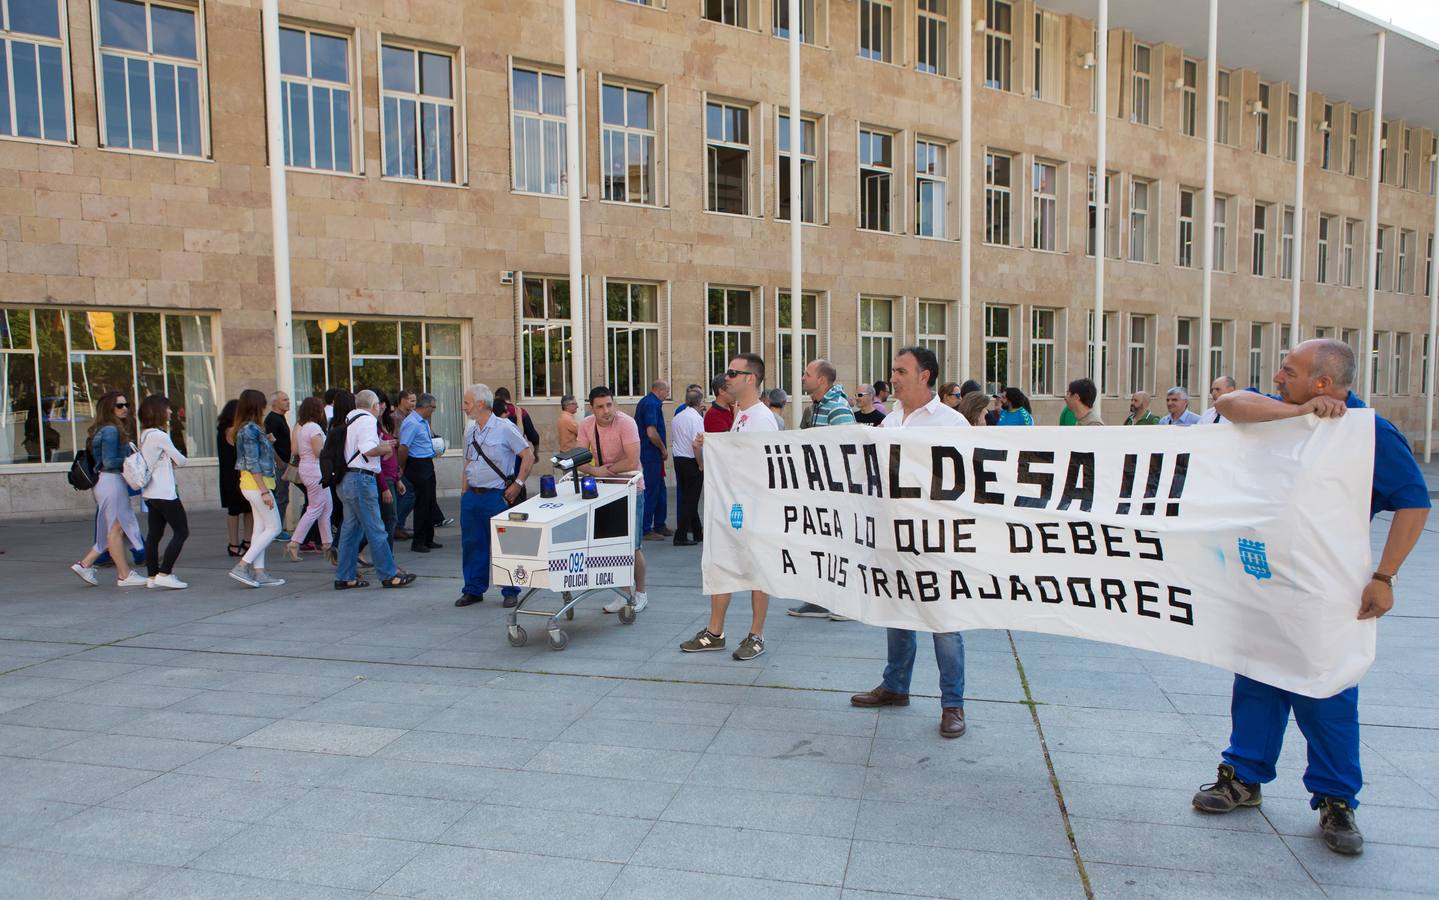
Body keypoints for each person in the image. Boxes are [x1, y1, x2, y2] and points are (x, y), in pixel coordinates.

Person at [1191, 339, 1430, 856]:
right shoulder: (1277, 411)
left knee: (1327, 691)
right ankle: (1243, 775)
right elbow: (1228, 404)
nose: (1277, 377)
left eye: (1289, 371)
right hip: (1265, 584)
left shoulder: (1367, 434)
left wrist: (1384, 577)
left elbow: (1413, 503)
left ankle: (1336, 799)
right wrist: (1297, 411)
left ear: (1323, 382)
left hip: (1328, 593)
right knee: (1256, 678)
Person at [851, 346, 971, 739]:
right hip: (892, 536)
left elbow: (967, 486)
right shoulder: (891, 422)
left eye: (901, 370)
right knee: (896, 612)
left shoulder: (952, 424)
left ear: (925, 375)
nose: (894, 377)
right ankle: (895, 687)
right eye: (893, 370)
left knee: (944, 624)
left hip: (936, 542)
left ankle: (952, 704)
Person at [681, 353, 777, 661]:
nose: (727, 378)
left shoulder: (761, 417)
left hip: (753, 509)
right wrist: (708, 448)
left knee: (756, 570)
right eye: (727, 373)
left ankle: (756, 634)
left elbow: (762, 466)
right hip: (733, 506)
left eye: (733, 373)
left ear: (751, 379)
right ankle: (715, 631)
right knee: (721, 562)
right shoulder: (742, 414)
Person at [788, 359, 857, 620]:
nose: (803, 378)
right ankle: (820, 599)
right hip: (819, 491)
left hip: (834, 493)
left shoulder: (837, 407)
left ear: (823, 380)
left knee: (838, 547)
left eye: (807, 374)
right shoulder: (818, 407)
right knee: (820, 545)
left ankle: (845, 603)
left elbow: (848, 450)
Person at [574, 386, 651, 614]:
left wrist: (600, 471)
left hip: (631, 488)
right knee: (609, 544)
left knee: (632, 545)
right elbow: (578, 458)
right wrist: (595, 471)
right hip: (605, 490)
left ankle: (641, 593)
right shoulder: (586, 425)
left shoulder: (626, 423)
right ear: (592, 408)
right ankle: (623, 593)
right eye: (600, 406)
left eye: (609, 404)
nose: (606, 410)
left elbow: (632, 461)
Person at [456, 384, 534, 607]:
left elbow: (527, 456)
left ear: (480, 404)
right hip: (473, 496)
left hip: (497, 495)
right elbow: (469, 462)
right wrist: (464, 493)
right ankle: (473, 589)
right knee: (472, 543)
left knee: (504, 543)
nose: (464, 407)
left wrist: (518, 484)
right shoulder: (470, 430)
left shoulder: (505, 428)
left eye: (467, 402)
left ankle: (510, 590)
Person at [334, 390, 415, 591]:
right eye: (379, 404)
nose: (381, 408)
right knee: (376, 528)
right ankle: (389, 574)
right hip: (362, 479)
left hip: (348, 479)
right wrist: (385, 448)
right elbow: (368, 449)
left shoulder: (350, 419)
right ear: (374, 406)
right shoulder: (368, 420)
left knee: (350, 530)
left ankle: (345, 576)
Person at [70, 391, 148, 588]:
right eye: (119, 406)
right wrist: (132, 461)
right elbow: (109, 461)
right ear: (109, 409)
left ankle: (88, 564)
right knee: (115, 529)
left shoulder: (104, 429)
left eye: (126, 404)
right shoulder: (111, 430)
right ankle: (122, 574)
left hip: (109, 482)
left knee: (115, 528)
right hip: (110, 481)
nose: (125, 409)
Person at [226, 389, 285, 588]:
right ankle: (243, 566)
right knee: (274, 527)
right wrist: (264, 491)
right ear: (255, 406)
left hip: (255, 485)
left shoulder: (248, 429)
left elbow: (253, 458)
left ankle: (259, 572)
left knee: (260, 529)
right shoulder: (250, 429)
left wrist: (267, 442)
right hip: (257, 486)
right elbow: (252, 462)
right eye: (262, 403)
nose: (265, 407)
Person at [137, 394, 189, 589]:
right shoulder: (160, 435)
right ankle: (165, 572)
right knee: (181, 532)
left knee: (154, 534)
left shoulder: (146, 434)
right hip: (165, 492)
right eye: (167, 408)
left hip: (150, 493)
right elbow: (181, 460)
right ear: (158, 411)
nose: (171, 411)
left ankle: (152, 576)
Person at [283, 397, 331, 563]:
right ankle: (295, 542)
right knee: (316, 508)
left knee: (325, 507)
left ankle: (327, 544)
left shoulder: (303, 427)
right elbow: (319, 452)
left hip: (308, 469)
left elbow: (297, 449)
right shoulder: (314, 428)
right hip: (316, 471)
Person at [399, 392, 440, 554]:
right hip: (417, 464)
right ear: (426, 406)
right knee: (422, 503)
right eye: (433, 408)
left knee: (430, 502)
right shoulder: (412, 423)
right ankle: (418, 541)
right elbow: (403, 447)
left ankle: (428, 539)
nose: (433, 411)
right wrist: (401, 468)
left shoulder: (423, 422)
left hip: (426, 462)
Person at [635, 380, 671, 541]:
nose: (668, 395)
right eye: (667, 391)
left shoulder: (648, 402)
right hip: (650, 454)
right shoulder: (652, 404)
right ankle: (645, 528)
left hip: (651, 454)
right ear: (660, 390)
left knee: (660, 490)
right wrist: (663, 448)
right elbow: (651, 432)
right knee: (651, 490)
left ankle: (659, 524)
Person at [216, 399, 251, 557]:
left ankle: (235, 543)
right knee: (246, 510)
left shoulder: (222, 429)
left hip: (228, 474)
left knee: (235, 510)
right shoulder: (234, 431)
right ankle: (245, 541)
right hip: (238, 474)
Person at [671, 386, 705, 546]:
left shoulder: (678, 417)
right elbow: (697, 444)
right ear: (700, 402)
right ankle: (681, 535)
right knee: (691, 500)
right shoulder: (697, 419)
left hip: (679, 459)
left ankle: (698, 532)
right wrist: (701, 463)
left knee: (688, 497)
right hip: (691, 460)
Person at [265, 390, 292, 540]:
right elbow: (269, 442)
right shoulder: (273, 419)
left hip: (286, 462)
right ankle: (277, 529)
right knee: (281, 496)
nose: (288, 402)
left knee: (283, 496)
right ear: (275, 403)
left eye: (288, 399)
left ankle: (277, 527)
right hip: (280, 464)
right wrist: (279, 461)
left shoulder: (280, 418)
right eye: (284, 400)